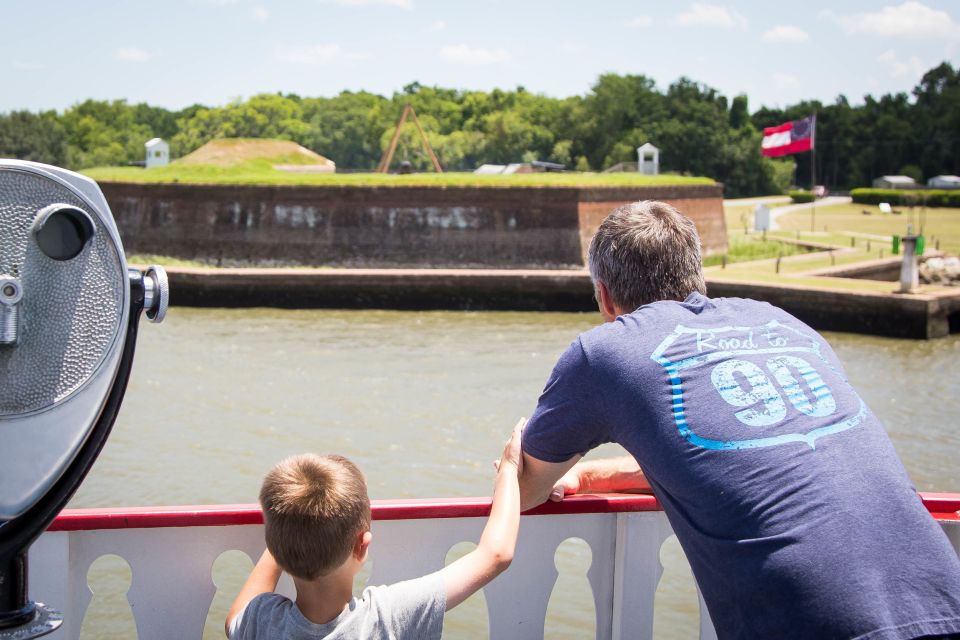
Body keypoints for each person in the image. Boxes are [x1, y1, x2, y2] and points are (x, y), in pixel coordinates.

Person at [518, 201, 960, 639]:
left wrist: (517, 456)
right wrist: (592, 476)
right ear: (697, 278)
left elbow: (526, 488)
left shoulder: (605, 352)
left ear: (605, 295)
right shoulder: (784, 324)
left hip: (816, 623)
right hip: (945, 600)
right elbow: (748, 453)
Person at [226, 419, 524, 639]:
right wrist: (509, 470)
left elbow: (234, 619)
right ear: (362, 545)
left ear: (276, 546)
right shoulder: (388, 616)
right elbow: (495, 554)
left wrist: (289, 531)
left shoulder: (261, 623)